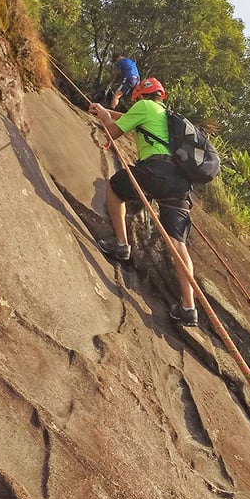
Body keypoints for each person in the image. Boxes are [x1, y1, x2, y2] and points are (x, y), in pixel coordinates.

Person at [88, 77, 199, 326]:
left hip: (157, 171)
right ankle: (188, 307)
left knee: (115, 187)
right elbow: (128, 118)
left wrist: (104, 116)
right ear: (161, 95)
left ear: (139, 94)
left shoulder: (143, 106)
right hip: (180, 182)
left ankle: (121, 244)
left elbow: (112, 132)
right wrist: (107, 111)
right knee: (177, 243)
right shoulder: (167, 116)